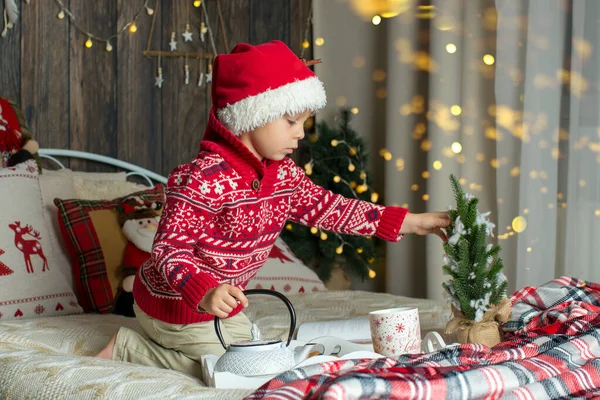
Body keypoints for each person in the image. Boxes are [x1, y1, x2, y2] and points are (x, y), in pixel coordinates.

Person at [95, 40, 450, 377]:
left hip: (218, 305)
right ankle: (128, 347)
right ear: (253, 115)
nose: (300, 134)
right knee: (236, 371)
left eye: (303, 123)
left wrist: (411, 222)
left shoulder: (284, 176)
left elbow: (331, 209)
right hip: (173, 303)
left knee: (264, 355)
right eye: (291, 122)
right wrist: (204, 290)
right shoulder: (204, 178)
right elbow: (169, 248)